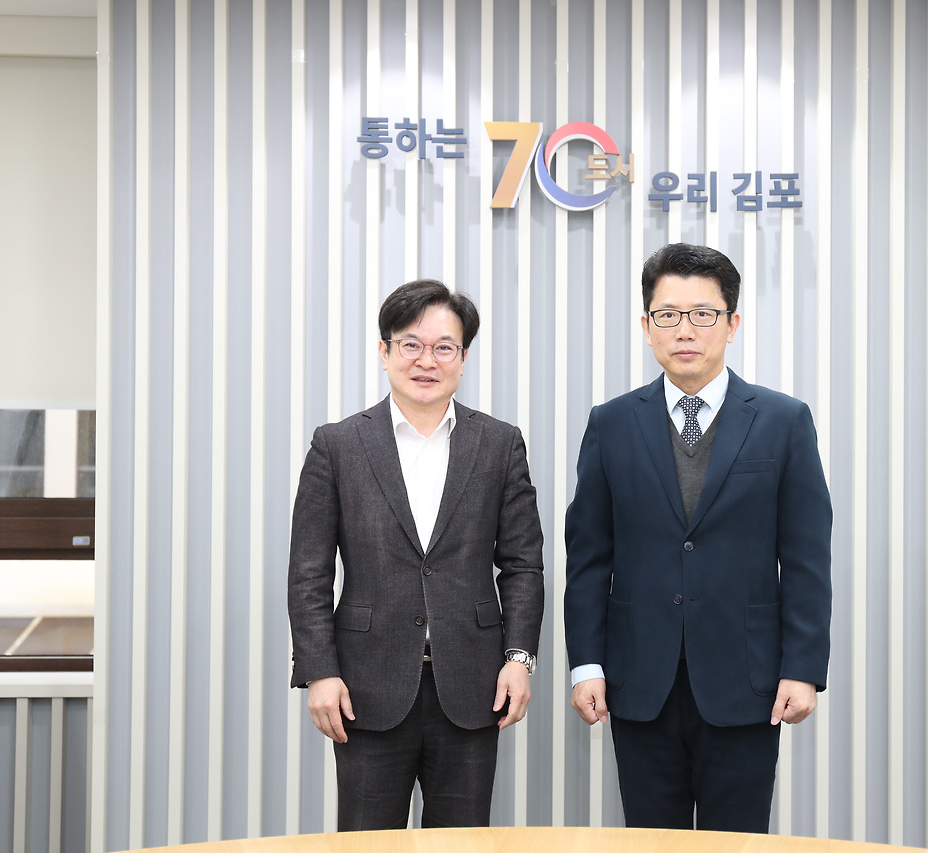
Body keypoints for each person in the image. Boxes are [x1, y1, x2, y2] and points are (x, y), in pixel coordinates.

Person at [564, 243, 832, 833]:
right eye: (668, 315)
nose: (685, 330)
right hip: (639, 679)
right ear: (646, 326)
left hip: (748, 681)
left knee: (737, 844)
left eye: (704, 314)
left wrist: (803, 667)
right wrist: (586, 664)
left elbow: (807, 558)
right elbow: (587, 557)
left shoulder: (784, 421)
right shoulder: (611, 423)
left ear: (732, 324)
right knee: (650, 842)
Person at [288, 279, 545, 830]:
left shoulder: (499, 444)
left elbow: (523, 564)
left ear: (463, 358)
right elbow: (309, 573)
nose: (427, 361)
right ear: (384, 352)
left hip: (473, 686)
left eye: (444, 347)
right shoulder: (337, 445)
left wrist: (519, 659)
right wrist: (319, 672)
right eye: (411, 344)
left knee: (462, 843)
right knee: (365, 844)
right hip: (365, 687)